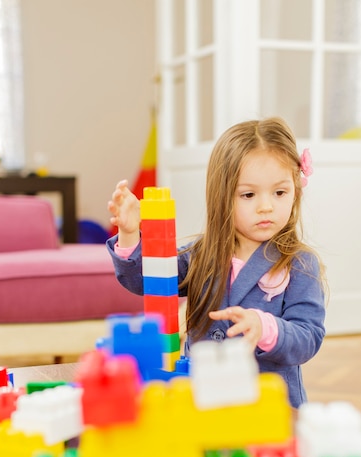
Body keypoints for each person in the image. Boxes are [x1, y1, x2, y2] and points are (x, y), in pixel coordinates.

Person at [106, 117, 326, 408]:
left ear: (295, 191)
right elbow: (145, 282)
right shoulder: (202, 254)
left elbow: (308, 336)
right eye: (248, 194)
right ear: (223, 196)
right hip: (205, 403)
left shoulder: (300, 264)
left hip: (268, 409)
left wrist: (265, 327)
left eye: (280, 192)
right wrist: (130, 233)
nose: (266, 206)